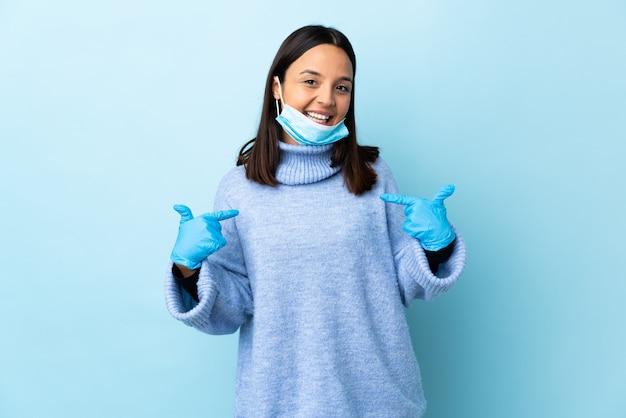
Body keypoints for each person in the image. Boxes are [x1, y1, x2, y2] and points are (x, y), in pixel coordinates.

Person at [165, 25, 466, 417]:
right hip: (280, 403)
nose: (327, 99)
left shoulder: (373, 176)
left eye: (342, 87)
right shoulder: (238, 191)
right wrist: (187, 268)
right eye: (311, 81)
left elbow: (403, 283)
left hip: (379, 400)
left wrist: (436, 245)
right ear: (277, 87)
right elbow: (229, 310)